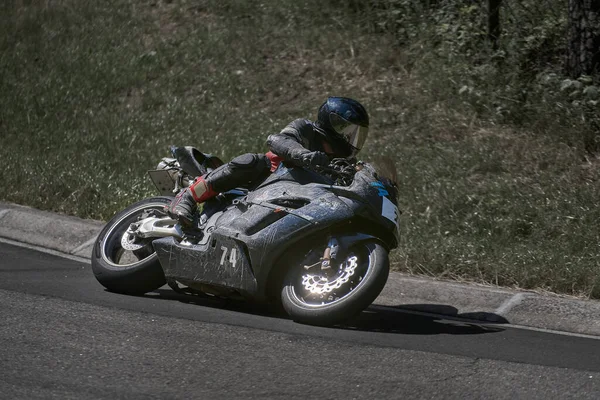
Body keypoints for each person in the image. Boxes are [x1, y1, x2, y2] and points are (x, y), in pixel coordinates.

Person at [166, 96, 370, 226]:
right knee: (252, 162)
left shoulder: (345, 163)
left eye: (356, 134)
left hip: (297, 201)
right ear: (331, 122)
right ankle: (188, 196)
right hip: (264, 181)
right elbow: (277, 140)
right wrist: (303, 154)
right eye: (347, 131)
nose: (351, 139)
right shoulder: (305, 129)